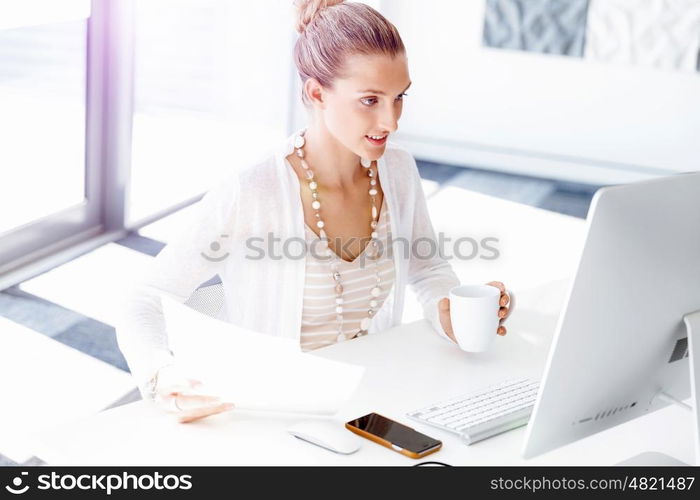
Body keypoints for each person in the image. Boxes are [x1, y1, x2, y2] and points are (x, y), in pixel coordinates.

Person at [116, 0, 511, 424]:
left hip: (371, 398)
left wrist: (446, 311)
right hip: (272, 414)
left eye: (399, 97)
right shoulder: (253, 191)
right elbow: (145, 300)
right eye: (370, 100)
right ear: (316, 93)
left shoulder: (397, 170)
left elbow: (428, 270)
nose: (391, 121)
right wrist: (161, 374)